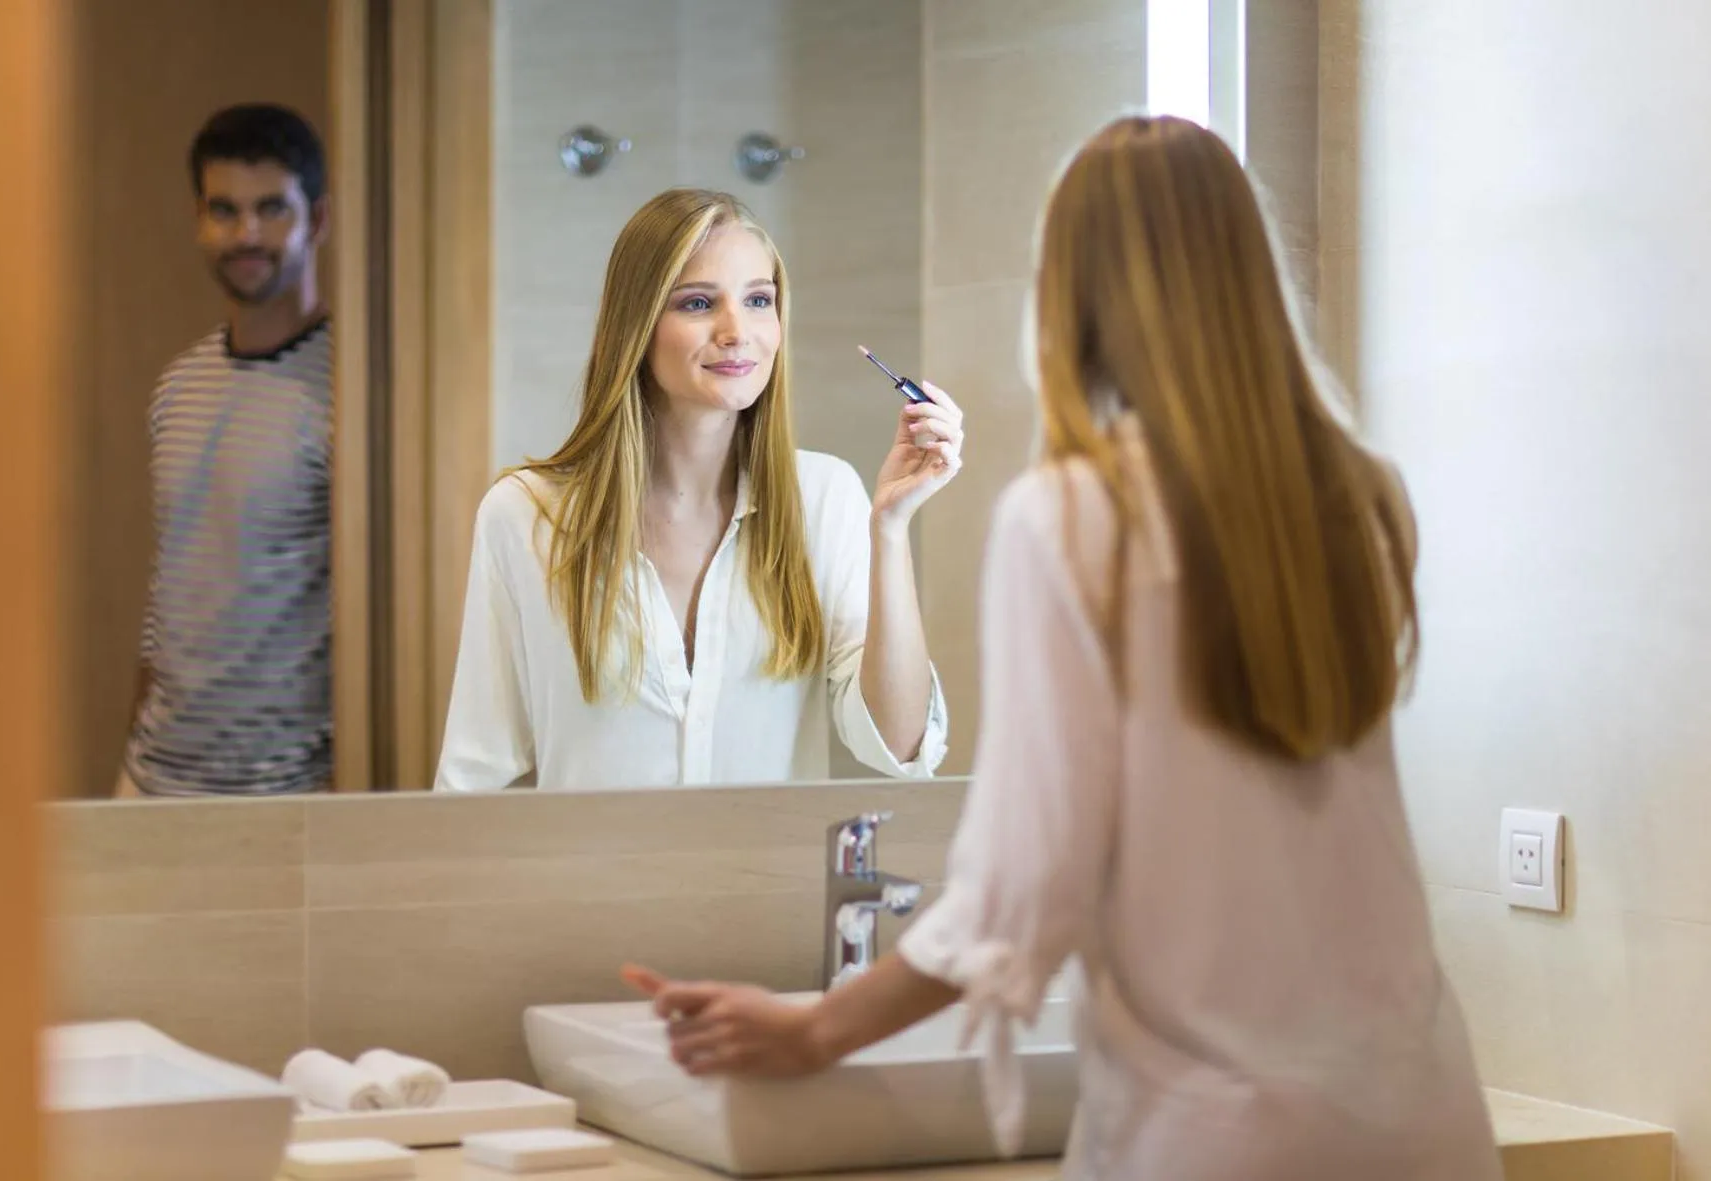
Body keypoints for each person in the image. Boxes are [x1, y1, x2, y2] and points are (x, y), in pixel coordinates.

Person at [622, 118, 1503, 1180]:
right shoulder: (1360, 493)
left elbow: (1022, 881)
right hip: (1421, 1109)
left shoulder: (1074, 514)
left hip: (1221, 1131)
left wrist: (815, 1029)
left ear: (1074, 292)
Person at [433, 189, 956, 791]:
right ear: (638, 324)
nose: (738, 331)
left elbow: (899, 745)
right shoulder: (525, 515)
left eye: (759, 299)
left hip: (767, 887)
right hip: (592, 887)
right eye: (698, 302)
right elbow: (475, 773)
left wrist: (890, 529)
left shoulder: (826, 496)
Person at [116, 104, 333, 798]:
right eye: (225, 209)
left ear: (316, 220)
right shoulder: (179, 385)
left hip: (288, 789)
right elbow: (171, 589)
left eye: (271, 208)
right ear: (199, 220)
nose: (246, 233)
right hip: (152, 777)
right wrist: (129, 756)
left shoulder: (351, 391)